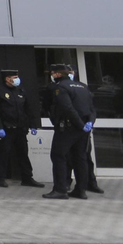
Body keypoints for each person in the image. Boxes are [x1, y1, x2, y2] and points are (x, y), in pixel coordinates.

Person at [44, 63, 96, 200]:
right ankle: (81, 190)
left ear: (57, 74)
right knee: (80, 158)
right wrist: (89, 123)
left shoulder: (60, 87)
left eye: (52, 73)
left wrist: (79, 124)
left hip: (68, 128)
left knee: (58, 156)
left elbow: (67, 108)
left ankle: (60, 189)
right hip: (83, 129)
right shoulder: (83, 86)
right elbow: (92, 109)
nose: (52, 76)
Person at [0, 68, 44, 189]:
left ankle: (27, 178)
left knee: (23, 154)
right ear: (7, 78)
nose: (17, 79)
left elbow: (28, 109)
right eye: (14, 77)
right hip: (6, 129)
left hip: (20, 128)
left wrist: (33, 125)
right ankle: (0, 178)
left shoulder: (21, 90)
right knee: (3, 154)